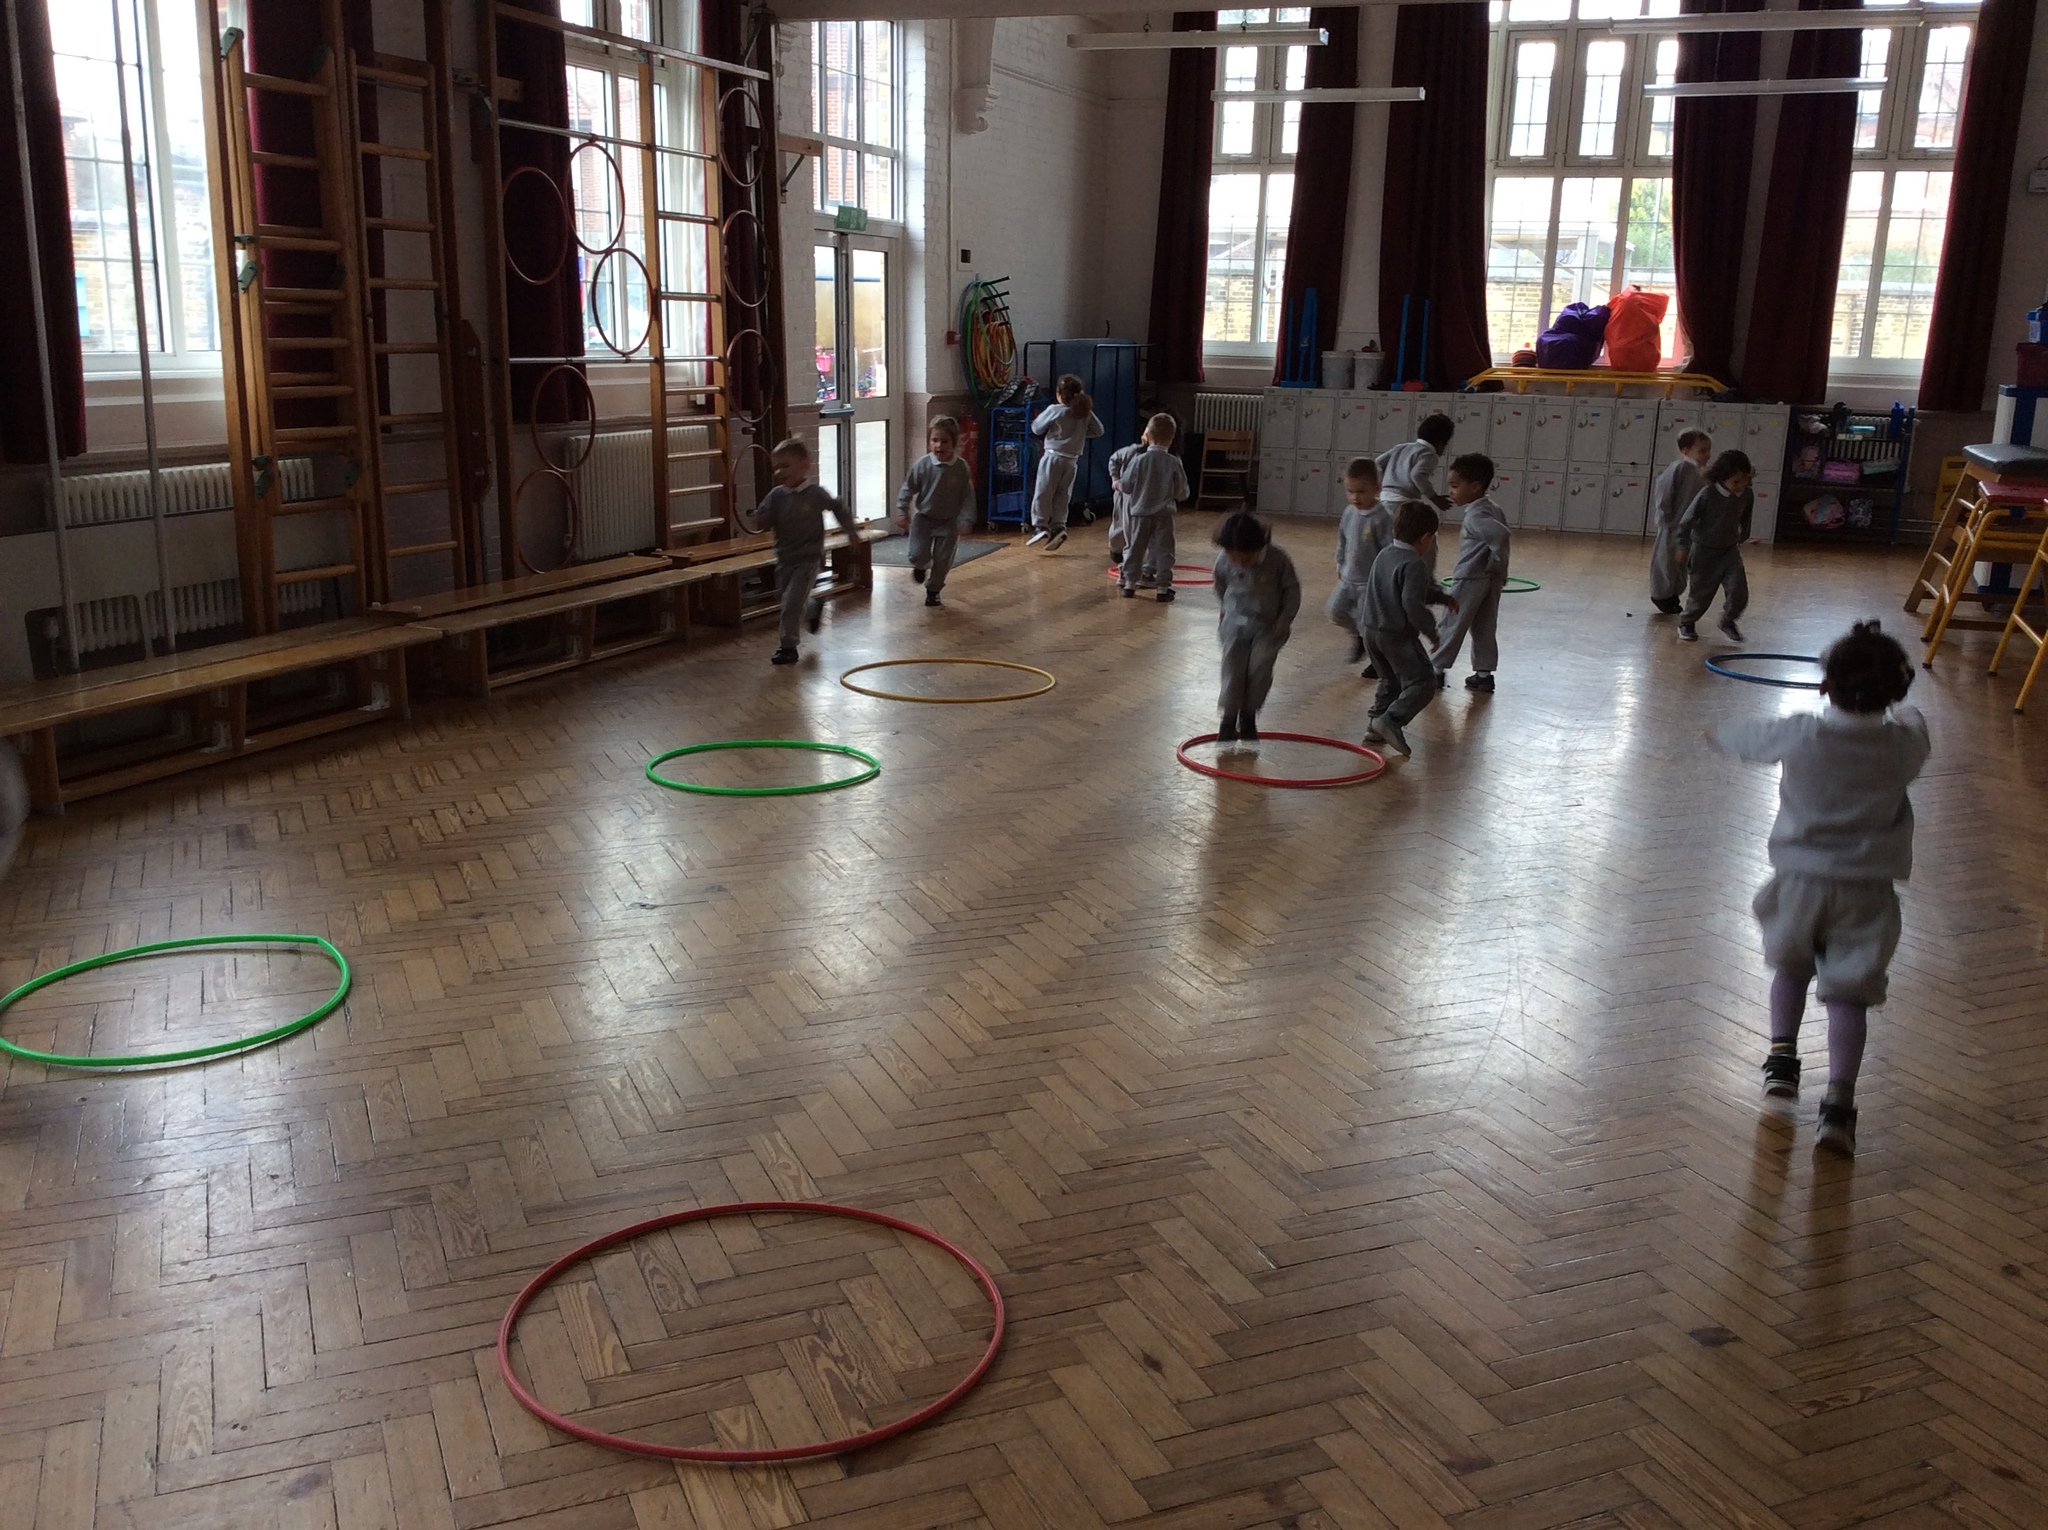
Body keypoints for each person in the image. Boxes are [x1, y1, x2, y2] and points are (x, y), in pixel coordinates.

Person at [1710, 621, 1928, 1156]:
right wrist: (1904, 710)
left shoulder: (1802, 733)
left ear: (1825, 687)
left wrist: (1717, 733)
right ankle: (1838, 1107)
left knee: (1790, 970)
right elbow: (1916, 725)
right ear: (1895, 690)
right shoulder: (1902, 746)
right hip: (1867, 894)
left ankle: (1782, 1062)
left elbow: (1745, 739)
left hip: (1799, 885)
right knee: (1848, 996)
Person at [1360, 503, 1456, 759]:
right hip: (1396, 635)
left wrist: (1442, 597)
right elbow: (1412, 603)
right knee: (1424, 682)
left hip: (1371, 632)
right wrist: (1432, 633)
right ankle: (1391, 720)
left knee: (1389, 681)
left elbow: (1404, 589)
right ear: (1425, 538)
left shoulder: (1384, 555)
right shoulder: (1414, 563)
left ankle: (1374, 726)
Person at [755, 437, 857, 665]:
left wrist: (850, 531)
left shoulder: (815, 494)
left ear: (804, 466)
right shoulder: (776, 496)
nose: (779, 472)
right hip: (785, 558)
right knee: (790, 600)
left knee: (791, 603)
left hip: (808, 558)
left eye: (785, 466)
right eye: (776, 467)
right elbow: (763, 520)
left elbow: (838, 507)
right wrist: (761, 519)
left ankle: (788, 647)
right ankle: (813, 608)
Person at [1211, 511, 1300, 744]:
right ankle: (1228, 719)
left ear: (1259, 547)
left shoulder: (1277, 560)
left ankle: (1248, 715)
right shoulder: (1224, 559)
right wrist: (1224, 608)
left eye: (1246, 560)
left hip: (1268, 628)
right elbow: (1220, 583)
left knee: (1259, 670)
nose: (1240, 564)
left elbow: (1292, 591)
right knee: (1233, 669)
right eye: (1235, 559)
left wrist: (1285, 618)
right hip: (1233, 626)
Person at [1432, 454, 1510, 694]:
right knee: (1484, 626)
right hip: (1491, 580)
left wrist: (1496, 561)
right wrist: (1499, 567)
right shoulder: (1494, 509)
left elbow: (1500, 535)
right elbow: (1501, 538)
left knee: (1451, 624)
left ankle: (1435, 670)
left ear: (1475, 487)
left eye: (1455, 486)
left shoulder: (1475, 516)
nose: (1451, 492)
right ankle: (1484, 675)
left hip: (1469, 578)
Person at [894, 416, 975, 608]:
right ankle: (920, 566)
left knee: (943, 560)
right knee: (917, 554)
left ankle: (933, 591)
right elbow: (908, 487)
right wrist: (902, 510)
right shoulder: (922, 465)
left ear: (954, 443)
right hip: (924, 519)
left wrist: (966, 520)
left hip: (949, 522)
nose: (939, 445)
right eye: (935, 440)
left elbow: (967, 496)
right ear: (929, 441)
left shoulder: (960, 468)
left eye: (945, 441)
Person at [1676, 449, 1755, 644]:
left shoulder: (1747, 494)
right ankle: (1687, 622)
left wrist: (1743, 536)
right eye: (1735, 482)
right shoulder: (1708, 494)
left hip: (1729, 551)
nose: (1740, 486)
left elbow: (1745, 517)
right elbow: (1686, 522)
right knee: (1700, 595)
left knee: (1739, 590)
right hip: (1703, 552)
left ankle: (1728, 620)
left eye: (1744, 480)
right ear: (1722, 478)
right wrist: (1682, 546)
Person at [1327, 457, 1389, 674]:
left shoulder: (1382, 517)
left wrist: (1383, 579)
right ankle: (1360, 637)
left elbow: (1388, 550)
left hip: (1368, 583)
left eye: (1361, 491)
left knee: (1367, 624)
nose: (1355, 497)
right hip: (1347, 577)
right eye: (1350, 491)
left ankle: (1378, 662)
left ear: (1377, 488)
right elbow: (1343, 540)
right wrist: (1340, 564)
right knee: (1335, 611)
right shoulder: (1349, 512)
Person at [1118, 414, 1189, 602]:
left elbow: (1126, 485)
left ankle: (1130, 584)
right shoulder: (1174, 462)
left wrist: (1119, 484)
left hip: (1139, 514)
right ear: (1171, 439)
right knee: (1164, 550)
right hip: (1164, 515)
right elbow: (1182, 492)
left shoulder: (1138, 460)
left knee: (1136, 548)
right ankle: (1163, 588)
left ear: (1147, 436)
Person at [1026, 373, 1102, 550]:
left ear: (1060, 395)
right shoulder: (1085, 413)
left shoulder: (1055, 410)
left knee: (1043, 492)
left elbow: (1036, 428)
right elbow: (1099, 431)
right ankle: (1059, 526)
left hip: (1052, 457)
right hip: (1072, 461)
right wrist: (1081, 435)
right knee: (1063, 495)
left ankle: (1040, 526)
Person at [1650, 429, 1712, 615]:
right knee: (1666, 561)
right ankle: (1661, 595)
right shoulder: (1681, 468)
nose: (1707, 455)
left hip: (1688, 527)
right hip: (1673, 525)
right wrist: (1667, 521)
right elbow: (1664, 494)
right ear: (1686, 451)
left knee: (1681, 563)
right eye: (1702, 450)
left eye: (1708, 450)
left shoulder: (1701, 473)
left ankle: (1673, 594)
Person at [1376, 412, 1456, 517]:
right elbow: (1417, 475)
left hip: (1385, 498)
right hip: (1404, 501)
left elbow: (1377, 463)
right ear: (1441, 443)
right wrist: (1434, 498)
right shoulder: (1429, 454)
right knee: (1406, 526)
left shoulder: (1401, 447)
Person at [1107, 434, 1146, 573]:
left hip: (1143, 498)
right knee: (1121, 524)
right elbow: (1114, 459)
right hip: (1124, 495)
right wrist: (1115, 479)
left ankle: (1132, 557)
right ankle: (1118, 550)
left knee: (1137, 528)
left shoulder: (1164, 458)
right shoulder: (1132, 451)